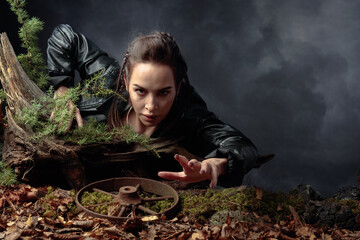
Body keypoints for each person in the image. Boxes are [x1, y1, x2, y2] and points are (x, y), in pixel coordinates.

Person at [47, 24, 261, 188]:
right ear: (125, 81)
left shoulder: (187, 113)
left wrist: (218, 164)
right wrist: (63, 90)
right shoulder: (108, 79)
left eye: (163, 93)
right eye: (140, 91)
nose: (151, 106)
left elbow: (244, 147)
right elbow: (65, 36)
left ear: (177, 87)